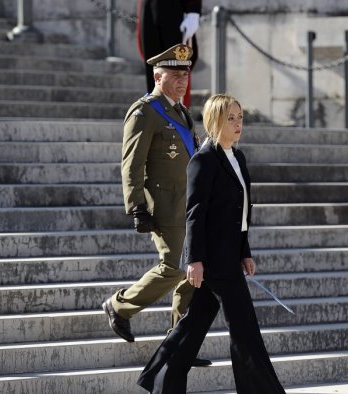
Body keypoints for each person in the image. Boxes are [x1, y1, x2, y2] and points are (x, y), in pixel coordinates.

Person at [137, 94, 286, 394]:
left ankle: (162, 380)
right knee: (245, 330)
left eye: (240, 117)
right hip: (214, 260)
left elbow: (242, 211)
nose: (237, 123)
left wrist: (245, 252)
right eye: (230, 118)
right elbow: (195, 214)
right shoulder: (203, 160)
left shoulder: (238, 157)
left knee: (194, 322)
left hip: (230, 255)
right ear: (215, 121)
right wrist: (194, 260)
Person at [102, 43, 211, 366]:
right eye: (175, 75)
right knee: (175, 267)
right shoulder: (145, 112)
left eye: (185, 75)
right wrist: (136, 206)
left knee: (194, 274)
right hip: (163, 203)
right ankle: (119, 306)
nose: (182, 81)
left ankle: (180, 343)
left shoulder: (180, 111)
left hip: (189, 204)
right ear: (157, 75)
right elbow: (131, 164)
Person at [137, 0, 201, 108]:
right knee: (152, 66)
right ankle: (156, 114)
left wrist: (193, 10)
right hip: (148, 6)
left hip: (173, 8)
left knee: (175, 65)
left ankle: (176, 116)